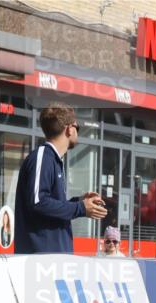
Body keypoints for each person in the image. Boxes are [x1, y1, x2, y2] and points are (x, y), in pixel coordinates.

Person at [14, 103, 106, 253]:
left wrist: (79, 201)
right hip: (41, 260)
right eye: (77, 127)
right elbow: (38, 202)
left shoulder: (52, 159)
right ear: (69, 129)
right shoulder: (43, 156)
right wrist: (81, 208)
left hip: (53, 259)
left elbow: (49, 207)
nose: (77, 132)